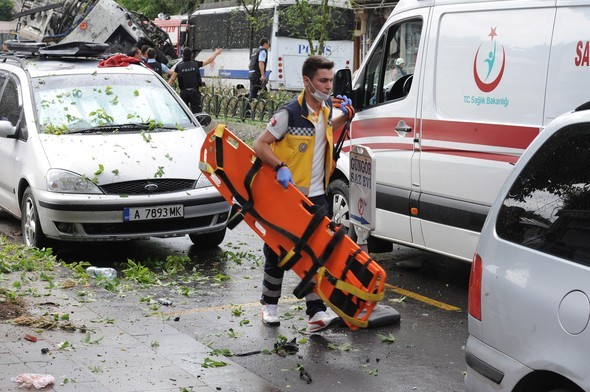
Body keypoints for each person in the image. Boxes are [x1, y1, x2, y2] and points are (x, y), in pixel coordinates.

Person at [252, 55, 355, 333]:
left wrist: (346, 114)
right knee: (277, 251)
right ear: (307, 82)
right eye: (323, 80)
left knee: (316, 253)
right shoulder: (289, 113)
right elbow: (260, 144)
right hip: (288, 196)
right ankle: (269, 306)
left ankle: (315, 313)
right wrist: (280, 166)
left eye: (331, 80)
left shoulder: (324, 112)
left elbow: (324, 133)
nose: (328, 86)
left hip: (318, 197)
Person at [168, 47, 222, 113]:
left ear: (183, 55)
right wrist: (216, 53)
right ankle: (198, 122)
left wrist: (165, 88)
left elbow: (172, 79)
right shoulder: (196, 64)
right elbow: (209, 60)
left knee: (184, 111)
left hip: (184, 93)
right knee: (197, 111)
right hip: (194, 92)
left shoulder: (178, 66)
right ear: (191, 55)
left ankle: (186, 122)